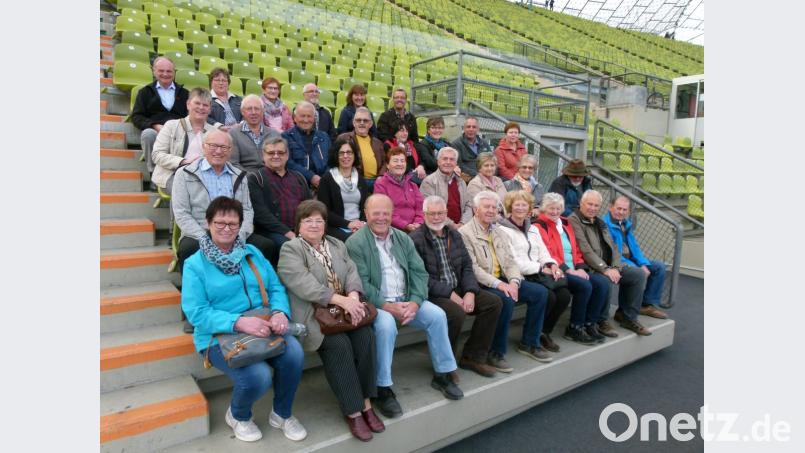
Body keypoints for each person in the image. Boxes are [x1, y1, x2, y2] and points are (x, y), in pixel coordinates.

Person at [181, 197, 307, 443]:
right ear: (208, 223)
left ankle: (281, 414)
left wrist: (280, 312)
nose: (227, 228)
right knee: (257, 376)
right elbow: (196, 312)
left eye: (233, 223)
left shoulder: (252, 253)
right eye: (220, 223)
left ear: (241, 226)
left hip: (262, 324)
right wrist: (237, 322)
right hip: (218, 334)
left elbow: (275, 287)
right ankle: (238, 415)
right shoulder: (195, 264)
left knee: (294, 354)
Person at [346, 194, 463, 418]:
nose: (381, 218)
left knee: (437, 315)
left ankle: (443, 374)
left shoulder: (402, 237)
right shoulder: (356, 243)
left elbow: (420, 272)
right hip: (377, 304)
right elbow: (361, 283)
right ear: (366, 214)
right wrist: (387, 306)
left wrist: (416, 302)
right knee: (386, 325)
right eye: (376, 213)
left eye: (386, 213)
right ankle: (383, 388)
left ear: (392, 215)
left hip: (407, 299)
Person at [277, 200, 384, 442]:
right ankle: (353, 410)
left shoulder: (336, 243)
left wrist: (354, 295)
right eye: (308, 220)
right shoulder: (291, 249)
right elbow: (303, 284)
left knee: (366, 336)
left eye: (319, 220)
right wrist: (342, 300)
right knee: (339, 346)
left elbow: (352, 271)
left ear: (326, 223)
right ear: (299, 224)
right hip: (314, 315)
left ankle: (367, 403)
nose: (314, 225)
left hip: (344, 312)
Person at [411, 196, 503, 378]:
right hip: (434, 294)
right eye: (432, 214)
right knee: (456, 313)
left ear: (446, 214)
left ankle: (472, 357)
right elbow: (421, 278)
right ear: (424, 214)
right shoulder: (415, 239)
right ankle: (447, 363)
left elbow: (467, 267)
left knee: (494, 302)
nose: (437, 217)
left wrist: (470, 292)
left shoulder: (454, 234)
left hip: (460, 288)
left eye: (441, 213)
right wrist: (451, 295)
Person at [459, 191, 552, 368]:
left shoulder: (497, 230)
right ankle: (496, 351)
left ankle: (530, 342)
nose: (491, 211)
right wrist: (501, 285)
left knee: (540, 293)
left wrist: (515, 282)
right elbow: (473, 269)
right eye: (486, 207)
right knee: (506, 300)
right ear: (475, 210)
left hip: (503, 280)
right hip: (482, 283)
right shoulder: (465, 233)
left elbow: (510, 261)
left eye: (494, 207)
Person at [172, 130, 276, 271]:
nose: (219, 151)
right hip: (201, 231)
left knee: (266, 246)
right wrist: (205, 238)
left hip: (233, 230)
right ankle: (196, 291)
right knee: (189, 249)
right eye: (213, 146)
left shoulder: (240, 175)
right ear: (204, 146)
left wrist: (239, 236)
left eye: (224, 147)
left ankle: (252, 287)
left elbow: (247, 209)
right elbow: (181, 213)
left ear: (230, 150)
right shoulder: (184, 174)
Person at [498, 191, 584, 350]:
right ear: (510, 206)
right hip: (520, 275)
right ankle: (530, 338)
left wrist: (552, 265)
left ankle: (544, 332)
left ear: (529, 208)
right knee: (548, 296)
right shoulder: (503, 230)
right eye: (517, 204)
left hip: (539, 272)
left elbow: (543, 252)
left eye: (524, 205)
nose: (520, 208)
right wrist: (541, 268)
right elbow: (512, 262)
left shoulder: (532, 228)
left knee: (564, 295)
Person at [569, 190, 652, 336]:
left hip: (609, 265)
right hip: (591, 267)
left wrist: (614, 266)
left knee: (637, 274)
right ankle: (602, 321)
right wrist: (605, 269)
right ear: (581, 203)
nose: (593, 208)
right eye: (590, 204)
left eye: (596, 205)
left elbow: (614, 248)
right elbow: (585, 249)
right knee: (605, 280)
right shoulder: (574, 220)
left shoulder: (599, 222)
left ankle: (628, 317)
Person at [534, 192, 615, 340]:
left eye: (558, 208)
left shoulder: (565, 223)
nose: (555, 212)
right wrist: (569, 270)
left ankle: (590, 323)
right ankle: (574, 327)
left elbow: (576, 249)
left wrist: (580, 268)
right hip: (558, 270)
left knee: (602, 282)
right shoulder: (539, 226)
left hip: (574, 268)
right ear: (544, 209)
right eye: (551, 208)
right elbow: (548, 253)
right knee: (585, 286)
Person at [602, 195, 669, 319]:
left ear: (628, 211)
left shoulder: (626, 224)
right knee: (637, 272)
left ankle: (646, 305)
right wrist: (636, 266)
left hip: (630, 258)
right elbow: (612, 253)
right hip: (615, 262)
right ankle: (623, 311)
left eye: (624, 210)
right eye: (618, 208)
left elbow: (635, 247)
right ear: (611, 207)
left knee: (659, 267)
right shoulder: (604, 224)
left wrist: (643, 263)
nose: (621, 212)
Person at [247, 136, 311, 264]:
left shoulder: (298, 177)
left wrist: (307, 229)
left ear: (287, 155)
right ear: (263, 155)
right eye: (271, 153)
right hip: (272, 231)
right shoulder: (256, 178)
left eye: (280, 153)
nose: (276, 156)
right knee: (290, 247)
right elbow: (261, 214)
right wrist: (289, 234)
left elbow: (310, 207)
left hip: (300, 228)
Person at [151, 87, 219, 194]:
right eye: (197, 103)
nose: (201, 107)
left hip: (203, 176)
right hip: (171, 174)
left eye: (205, 105)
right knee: (182, 191)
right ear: (188, 104)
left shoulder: (215, 132)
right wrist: (183, 162)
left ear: (210, 109)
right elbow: (157, 155)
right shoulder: (171, 126)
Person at [131, 56, 189, 174]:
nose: (165, 74)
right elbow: (137, 116)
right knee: (147, 134)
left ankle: (181, 172)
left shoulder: (185, 93)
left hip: (179, 131)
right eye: (161, 71)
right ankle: (154, 174)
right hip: (156, 131)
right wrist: (154, 126)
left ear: (174, 73)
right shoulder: (145, 92)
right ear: (154, 71)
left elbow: (190, 115)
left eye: (169, 71)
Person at [316, 137, 368, 242]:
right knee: (355, 241)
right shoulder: (327, 178)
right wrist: (348, 224)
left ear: (354, 155)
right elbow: (324, 211)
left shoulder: (360, 178)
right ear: (336, 156)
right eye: (341, 153)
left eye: (349, 152)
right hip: (336, 226)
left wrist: (361, 223)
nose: (345, 156)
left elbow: (366, 206)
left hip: (359, 225)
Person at [419, 147, 473, 228]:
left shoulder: (461, 182)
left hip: (462, 228)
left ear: (456, 163)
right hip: (438, 228)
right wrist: (453, 225)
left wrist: (463, 224)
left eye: (452, 159)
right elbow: (430, 210)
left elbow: (468, 206)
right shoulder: (429, 182)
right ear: (438, 162)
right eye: (445, 159)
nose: (448, 162)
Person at [373, 147, 424, 232]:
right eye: (395, 161)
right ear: (388, 165)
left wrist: (418, 223)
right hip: (392, 230)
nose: (399, 164)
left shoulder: (413, 185)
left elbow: (421, 208)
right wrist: (405, 225)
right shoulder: (381, 184)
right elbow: (384, 211)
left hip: (416, 229)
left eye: (402, 161)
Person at [282, 101, 331, 188]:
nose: (306, 120)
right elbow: (288, 162)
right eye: (302, 116)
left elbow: (331, 161)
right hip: (297, 184)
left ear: (314, 118)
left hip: (323, 183)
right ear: (295, 118)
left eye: (309, 116)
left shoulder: (324, 137)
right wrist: (311, 176)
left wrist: (325, 179)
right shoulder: (286, 137)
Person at [335, 106, 385, 191]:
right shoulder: (343, 138)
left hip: (376, 182)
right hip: (354, 182)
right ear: (354, 123)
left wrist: (381, 177)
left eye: (365, 121)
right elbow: (335, 161)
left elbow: (385, 162)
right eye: (358, 120)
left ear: (371, 124)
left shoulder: (378, 142)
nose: (362, 123)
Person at [228, 94, 280, 173]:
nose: (253, 112)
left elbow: (280, 161)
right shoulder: (233, 134)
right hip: (245, 179)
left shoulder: (274, 134)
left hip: (271, 177)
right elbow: (233, 163)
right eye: (249, 109)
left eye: (257, 109)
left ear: (263, 111)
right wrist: (253, 178)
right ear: (242, 112)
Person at [383, 119, 426, 183]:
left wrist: (421, 166)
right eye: (402, 131)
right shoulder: (388, 145)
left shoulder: (411, 144)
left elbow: (421, 160)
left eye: (406, 131)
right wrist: (413, 171)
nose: (405, 133)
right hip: (398, 177)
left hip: (414, 175)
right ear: (395, 133)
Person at [466, 152, 508, 217]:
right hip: (487, 219)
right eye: (486, 165)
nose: (490, 168)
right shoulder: (474, 184)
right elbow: (479, 209)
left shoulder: (498, 180)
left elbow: (506, 200)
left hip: (504, 217)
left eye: (492, 165)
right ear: (479, 168)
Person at [504, 154, 545, 219]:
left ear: (534, 170)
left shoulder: (539, 187)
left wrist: (538, 209)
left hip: (533, 222)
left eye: (530, 168)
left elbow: (543, 205)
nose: (527, 170)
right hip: (513, 222)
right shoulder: (507, 185)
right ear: (519, 168)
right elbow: (504, 207)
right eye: (524, 167)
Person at [451, 116, 492, 181]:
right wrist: (478, 175)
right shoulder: (456, 144)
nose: (471, 129)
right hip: (468, 178)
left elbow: (491, 160)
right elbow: (459, 165)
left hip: (486, 175)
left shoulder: (484, 143)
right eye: (468, 127)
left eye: (474, 127)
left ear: (478, 129)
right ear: (464, 128)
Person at [208, 67, 242, 132]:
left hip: (239, 132)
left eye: (224, 80)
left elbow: (246, 113)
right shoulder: (205, 99)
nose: (221, 83)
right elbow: (204, 116)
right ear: (211, 82)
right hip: (217, 133)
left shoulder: (237, 99)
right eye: (217, 80)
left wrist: (241, 125)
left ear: (228, 83)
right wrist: (219, 126)